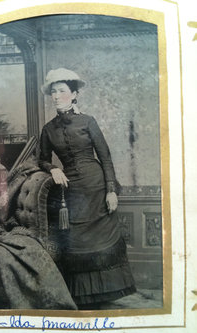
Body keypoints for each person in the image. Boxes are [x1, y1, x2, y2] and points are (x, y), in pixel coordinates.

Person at [39, 68, 136, 309]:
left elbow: (105, 157)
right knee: (75, 241)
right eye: (53, 92)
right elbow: (40, 158)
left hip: (96, 187)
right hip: (71, 192)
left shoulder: (88, 121)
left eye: (62, 91)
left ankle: (105, 294)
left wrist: (111, 190)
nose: (56, 96)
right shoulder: (48, 129)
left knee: (100, 241)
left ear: (74, 95)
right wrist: (53, 168)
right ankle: (82, 297)